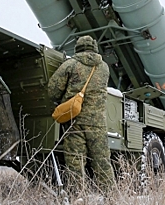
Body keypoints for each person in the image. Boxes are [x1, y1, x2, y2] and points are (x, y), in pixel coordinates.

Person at [48, 35, 116, 194]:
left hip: (74, 121)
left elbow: (53, 90)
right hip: (98, 123)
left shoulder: (70, 65)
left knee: (75, 163)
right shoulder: (104, 68)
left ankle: (78, 199)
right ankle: (112, 198)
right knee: (102, 162)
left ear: (77, 49)